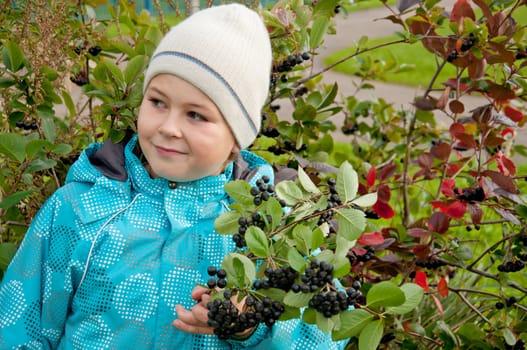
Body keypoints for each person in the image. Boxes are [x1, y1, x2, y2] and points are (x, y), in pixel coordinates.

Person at [0, 4, 347, 349]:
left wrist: (250, 329)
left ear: (237, 136)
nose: (168, 128)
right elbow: (18, 328)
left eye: (196, 115)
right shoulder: (79, 208)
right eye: (158, 102)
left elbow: (326, 338)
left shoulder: (272, 231)